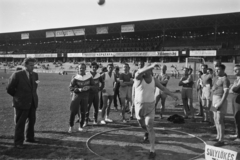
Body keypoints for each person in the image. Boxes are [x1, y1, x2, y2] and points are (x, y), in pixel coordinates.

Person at [134, 63, 178, 159]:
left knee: (150, 126)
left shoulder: (154, 80)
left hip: (150, 106)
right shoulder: (138, 77)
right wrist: (150, 66)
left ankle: (152, 150)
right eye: (147, 69)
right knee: (142, 124)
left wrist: (172, 94)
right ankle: (146, 132)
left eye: (150, 69)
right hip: (139, 106)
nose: (148, 71)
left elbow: (163, 88)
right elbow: (139, 72)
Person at [6, 58, 39, 149]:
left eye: (34, 65)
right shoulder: (17, 75)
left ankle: (29, 138)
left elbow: (35, 87)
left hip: (32, 102)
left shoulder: (35, 75)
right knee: (20, 123)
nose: (33, 67)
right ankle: (18, 142)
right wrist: (18, 97)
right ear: (25, 65)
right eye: (31, 65)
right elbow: (9, 89)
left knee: (32, 121)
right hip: (21, 103)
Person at [68, 63, 94, 133]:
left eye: (83, 68)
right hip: (76, 96)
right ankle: (71, 126)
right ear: (78, 69)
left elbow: (94, 86)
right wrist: (79, 89)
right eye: (80, 68)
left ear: (85, 69)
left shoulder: (89, 76)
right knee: (73, 111)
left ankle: (81, 126)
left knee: (83, 112)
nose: (81, 69)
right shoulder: (75, 77)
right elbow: (71, 87)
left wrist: (89, 87)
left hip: (85, 96)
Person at [210, 64, 230, 147]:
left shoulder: (225, 79)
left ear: (223, 70)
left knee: (220, 120)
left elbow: (226, 92)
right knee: (215, 119)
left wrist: (220, 103)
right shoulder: (216, 78)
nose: (216, 71)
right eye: (215, 69)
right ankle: (218, 136)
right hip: (214, 99)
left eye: (218, 70)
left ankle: (221, 140)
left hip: (219, 100)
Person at [84, 62, 104, 126]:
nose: (94, 68)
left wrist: (100, 89)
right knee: (87, 108)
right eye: (93, 67)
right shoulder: (87, 74)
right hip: (89, 94)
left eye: (95, 67)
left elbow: (102, 82)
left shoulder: (98, 75)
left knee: (96, 108)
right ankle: (86, 121)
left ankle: (95, 120)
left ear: (97, 68)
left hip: (96, 94)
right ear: (90, 67)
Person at [229, 65, 240, 142]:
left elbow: (235, 89)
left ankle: (239, 137)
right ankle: (237, 133)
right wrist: (233, 88)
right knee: (235, 117)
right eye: (234, 70)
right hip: (234, 98)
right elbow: (231, 90)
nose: (235, 71)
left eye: (237, 70)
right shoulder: (236, 80)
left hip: (238, 99)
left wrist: (233, 88)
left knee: (238, 117)